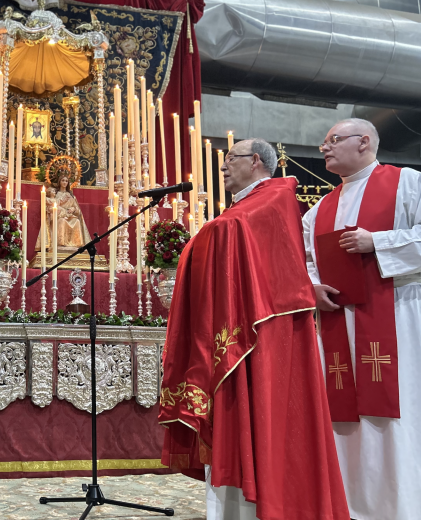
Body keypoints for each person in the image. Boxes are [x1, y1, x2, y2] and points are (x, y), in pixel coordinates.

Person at [159, 138, 349, 520]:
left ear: (257, 162)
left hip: (263, 335)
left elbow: (230, 233)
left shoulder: (274, 199)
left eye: (231, 158)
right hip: (245, 326)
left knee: (257, 413)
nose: (224, 166)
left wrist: (200, 240)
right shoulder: (245, 206)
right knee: (233, 412)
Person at [302, 118, 421, 520]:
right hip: (341, 320)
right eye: (323, 143)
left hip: (399, 314)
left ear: (365, 141)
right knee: (346, 414)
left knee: (399, 411)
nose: (324, 148)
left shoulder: (407, 182)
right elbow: (304, 260)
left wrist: (379, 241)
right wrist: (313, 287)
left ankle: (404, 506)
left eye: (333, 140)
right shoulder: (320, 208)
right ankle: (349, 505)